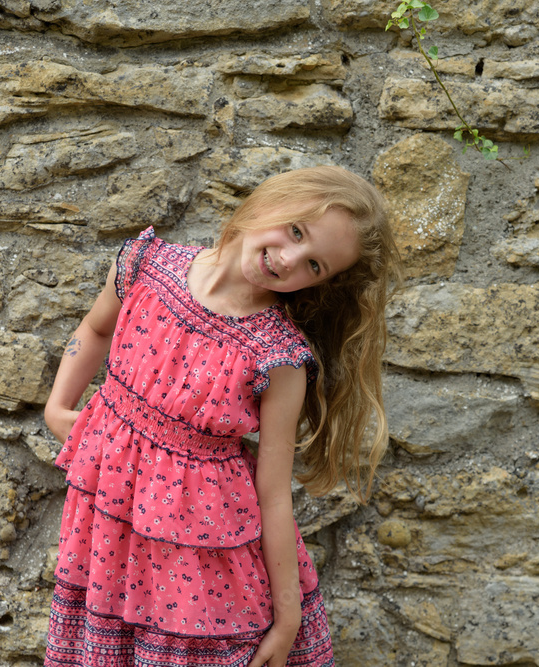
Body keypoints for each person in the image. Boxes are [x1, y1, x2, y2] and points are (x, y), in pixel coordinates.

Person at [42, 165, 401, 667]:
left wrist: (288, 619)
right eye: (296, 231)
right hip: (113, 520)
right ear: (269, 201)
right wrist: (59, 406)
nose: (290, 258)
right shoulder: (145, 264)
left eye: (314, 265)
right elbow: (97, 329)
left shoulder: (277, 358)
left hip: (203, 547)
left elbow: (274, 496)